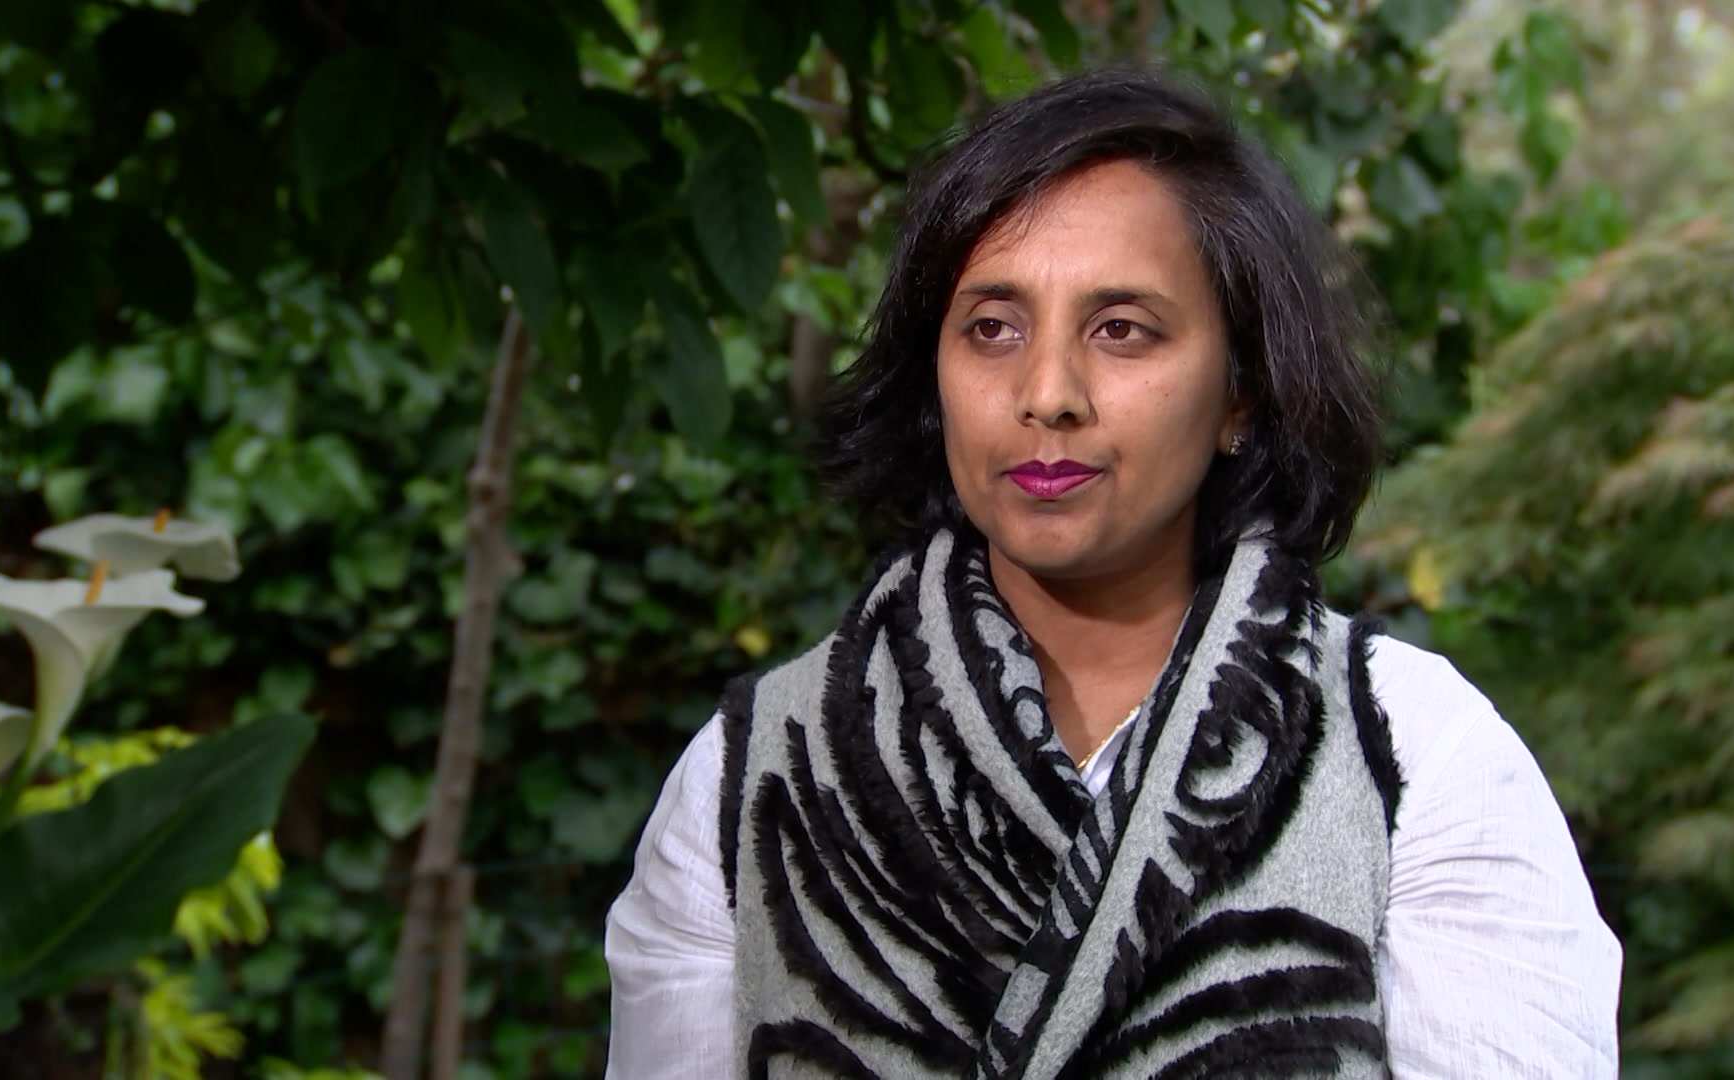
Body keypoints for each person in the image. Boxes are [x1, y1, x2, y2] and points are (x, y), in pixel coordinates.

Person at [605, 70, 1620, 1078]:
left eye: (1121, 330)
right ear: (935, 378)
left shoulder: (1415, 756)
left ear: (1240, 394)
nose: (1047, 393)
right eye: (992, 328)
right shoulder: (757, 775)